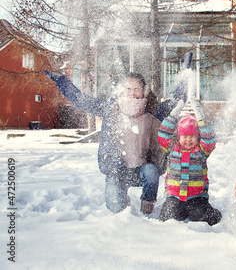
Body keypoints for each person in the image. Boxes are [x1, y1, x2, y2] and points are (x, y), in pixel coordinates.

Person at [44, 70, 173, 214]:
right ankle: (123, 199)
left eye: (136, 89)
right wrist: (62, 82)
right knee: (115, 208)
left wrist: (186, 75)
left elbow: (176, 102)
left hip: (142, 169)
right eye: (128, 89)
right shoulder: (110, 108)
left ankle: (147, 204)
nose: (132, 93)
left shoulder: (153, 110)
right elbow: (81, 100)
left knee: (151, 172)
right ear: (121, 90)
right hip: (117, 170)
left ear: (144, 91)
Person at [157, 100, 221, 226]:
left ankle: (211, 213)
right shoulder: (172, 148)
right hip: (174, 198)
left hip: (196, 198)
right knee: (167, 218)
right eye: (184, 136)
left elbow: (209, 139)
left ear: (197, 138)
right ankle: (180, 212)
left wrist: (200, 116)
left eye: (192, 136)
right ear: (178, 136)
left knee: (205, 217)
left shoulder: (201, 152)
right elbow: (163, 134)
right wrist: (176, 111)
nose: (188, 139)